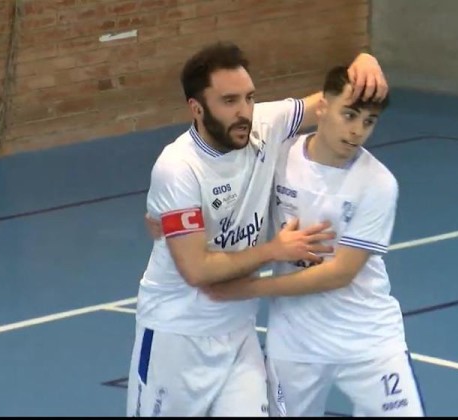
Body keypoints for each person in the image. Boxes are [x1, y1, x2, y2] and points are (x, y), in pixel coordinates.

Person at [127, 42, 389, 417]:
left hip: (239, 332)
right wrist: (274, 250)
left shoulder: (265, 124)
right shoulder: (178, 167)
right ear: (196, 109)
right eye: (229, 101)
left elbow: (324, 103)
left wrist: (363, 62)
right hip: (177, 334)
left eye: (249, 98)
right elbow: (197, 270)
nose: (244, 112)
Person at [202, 65, 425, 417]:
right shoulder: (279, 157)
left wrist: (248, 288)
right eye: (349, 115)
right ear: (322, 107)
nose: (356, 131)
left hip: (368, 341)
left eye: (368, 122)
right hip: (295, 344)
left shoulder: (378, 183)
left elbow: (340, 273)